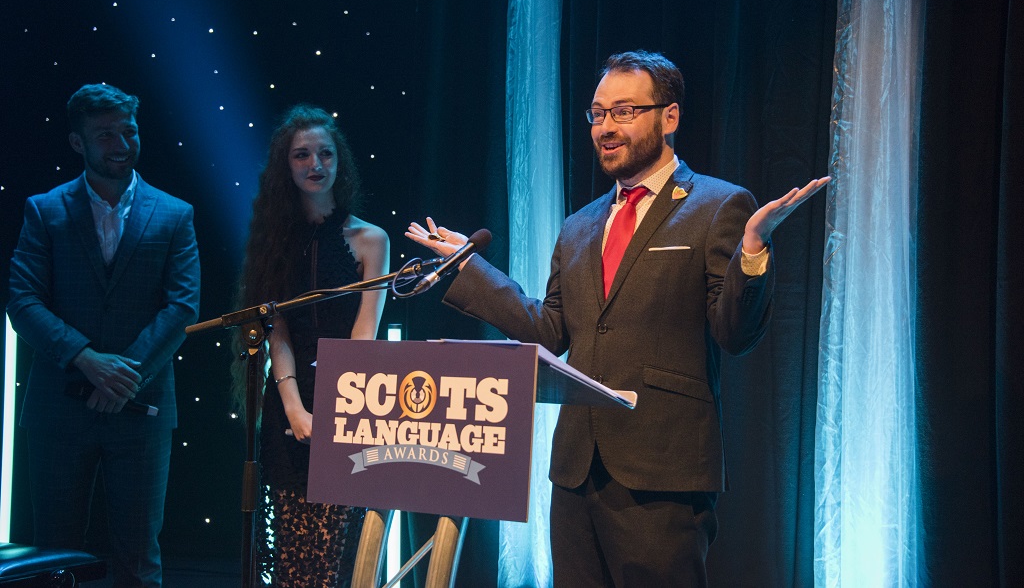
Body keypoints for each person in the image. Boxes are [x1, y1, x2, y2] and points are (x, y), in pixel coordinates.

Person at [407, 50, 830, 587]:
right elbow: (550, 331)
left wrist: (752, 251)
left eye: (624, 111)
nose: (606, 127)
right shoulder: (580, 226)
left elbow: (735, 333)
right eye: (598, 114)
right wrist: (468, 268)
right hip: (577, 472)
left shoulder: (719, 205)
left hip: (662, 470)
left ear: (668, 117)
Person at [7, 84, 201, 587]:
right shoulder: (44, 210)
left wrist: (123, 376)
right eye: (106, 134)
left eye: (129, 131)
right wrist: (88, 359)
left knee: (139, 558)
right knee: (51, 558)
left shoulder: (175, 213)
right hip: (59, 409)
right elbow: (22, 302)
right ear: (78, 144)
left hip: (140, 409)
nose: (121, 144)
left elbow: (183, 307)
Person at [233, 104, 389, 588]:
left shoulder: (372, 239)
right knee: (294, 559)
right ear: (287, 165)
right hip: (289, 404)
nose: (315, 164)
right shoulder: (273, 241)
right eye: (302, 155)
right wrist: (297, 410)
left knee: (339, 556)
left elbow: (366, 331)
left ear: (339, 162)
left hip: (354, 399)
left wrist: (342, 409)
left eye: (325, 153)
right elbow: (275, 333)